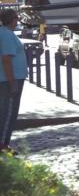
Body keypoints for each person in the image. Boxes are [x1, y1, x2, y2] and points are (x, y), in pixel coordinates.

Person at [0, 9, 28, 154]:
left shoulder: (5, 33)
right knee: (9, 112)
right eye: (16, 18)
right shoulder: (6, 34)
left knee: (7, 111)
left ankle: (4, 143)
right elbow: (6, 61)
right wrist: (12, 83)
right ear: (12, 19)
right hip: (9, 79)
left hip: (9, 78)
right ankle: (3, 145)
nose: (17, 21)